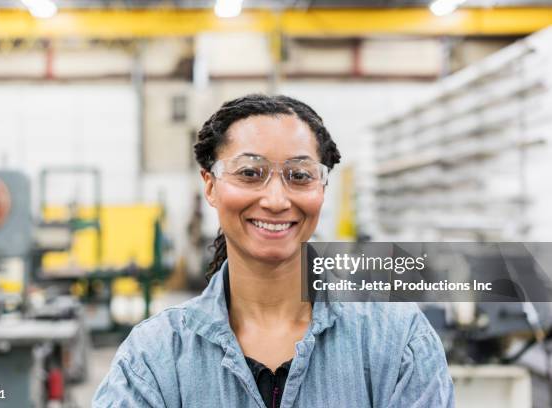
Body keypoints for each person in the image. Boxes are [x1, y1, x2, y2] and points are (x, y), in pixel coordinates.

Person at [93, 94, 454, 407]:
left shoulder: (395, 338)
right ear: (211, 186)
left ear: (322, 188)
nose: (277, 200)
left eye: (299, 175)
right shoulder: (155, 357)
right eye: (250, 173)